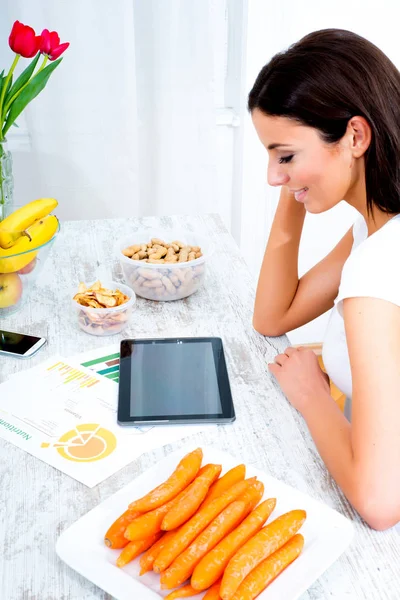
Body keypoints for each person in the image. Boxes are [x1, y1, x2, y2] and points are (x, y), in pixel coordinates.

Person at [248, 28, 400, 531]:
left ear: (355, 137)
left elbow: (380, 504)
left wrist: (312, 393)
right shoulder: (375, 229)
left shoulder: (378, 271)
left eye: (284, 155)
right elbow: (274, 316)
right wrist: (293, 183)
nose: (272, 175)